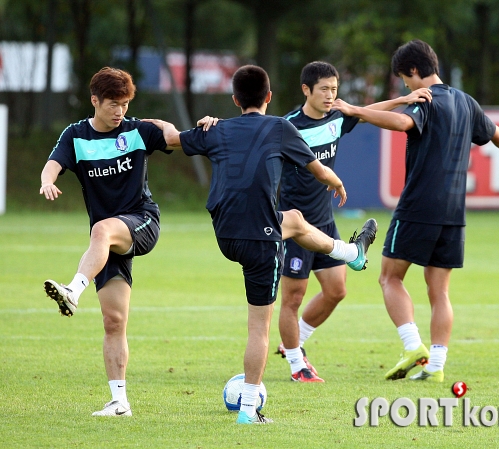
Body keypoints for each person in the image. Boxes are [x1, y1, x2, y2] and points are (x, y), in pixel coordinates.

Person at [143, 65, 376, 424]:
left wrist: (135, 122)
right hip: (259, 239)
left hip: (226, 233)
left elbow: (172, 137)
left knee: (295, 219)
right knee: (258, 328)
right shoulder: (280, 127)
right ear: (269, 97)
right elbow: (319, 171)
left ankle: (351, 255)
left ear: (235, 100)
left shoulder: (216, 129)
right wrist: (339, 183)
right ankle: (248, 410)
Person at [332, 40, 499, 382]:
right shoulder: (466, 102)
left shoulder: (425, 99)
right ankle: (436, 367)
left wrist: (355, 110)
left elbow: (402, 124)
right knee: (439, 290)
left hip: (419, 204)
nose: (406, 87)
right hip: (454, 211)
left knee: (389, 277)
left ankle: (413, 347)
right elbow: (497, 134)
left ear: (412, 72)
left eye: (404, 80)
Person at [275, 61, 433, 382]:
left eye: (334, 89)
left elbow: (363, 111)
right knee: (293, 297)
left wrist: (403, 100)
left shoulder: (336, 117)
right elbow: (249, 130)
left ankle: (294, 344)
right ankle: (296, 366)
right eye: (324, 90)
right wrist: (215, 122)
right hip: (294, 224)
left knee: (336, 290)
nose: (331, 96)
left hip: (324, 220)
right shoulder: (287, 125)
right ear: (306, 90)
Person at [40, 67, 181, 416]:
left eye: (125, 104)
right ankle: (120, 402)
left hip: (142, 220)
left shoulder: (136, 131)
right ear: (95, 101)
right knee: (113, 321)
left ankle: (73, 290)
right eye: (113, 104)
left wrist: (169, 124)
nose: (120, 111)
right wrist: (47, 181)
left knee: (100, 229)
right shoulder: (76, 136)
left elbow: (177, 138)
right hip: (106, 244)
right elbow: (53, 164)